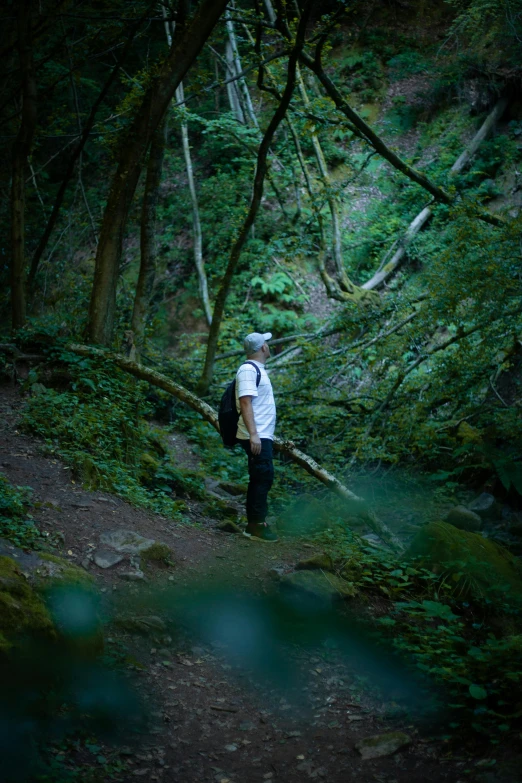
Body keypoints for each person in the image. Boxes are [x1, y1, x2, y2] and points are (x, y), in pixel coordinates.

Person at [236, 332, 278, 542]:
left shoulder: (257, 370)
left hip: (262, 434)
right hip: (256, 434)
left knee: (262, 477)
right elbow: (245, 402)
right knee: (262, 476)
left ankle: (254, 524)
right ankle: (257, 527)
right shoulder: (247, 370)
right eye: (267, 343)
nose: (268, 345)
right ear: (262, 348)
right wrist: (254, 435)